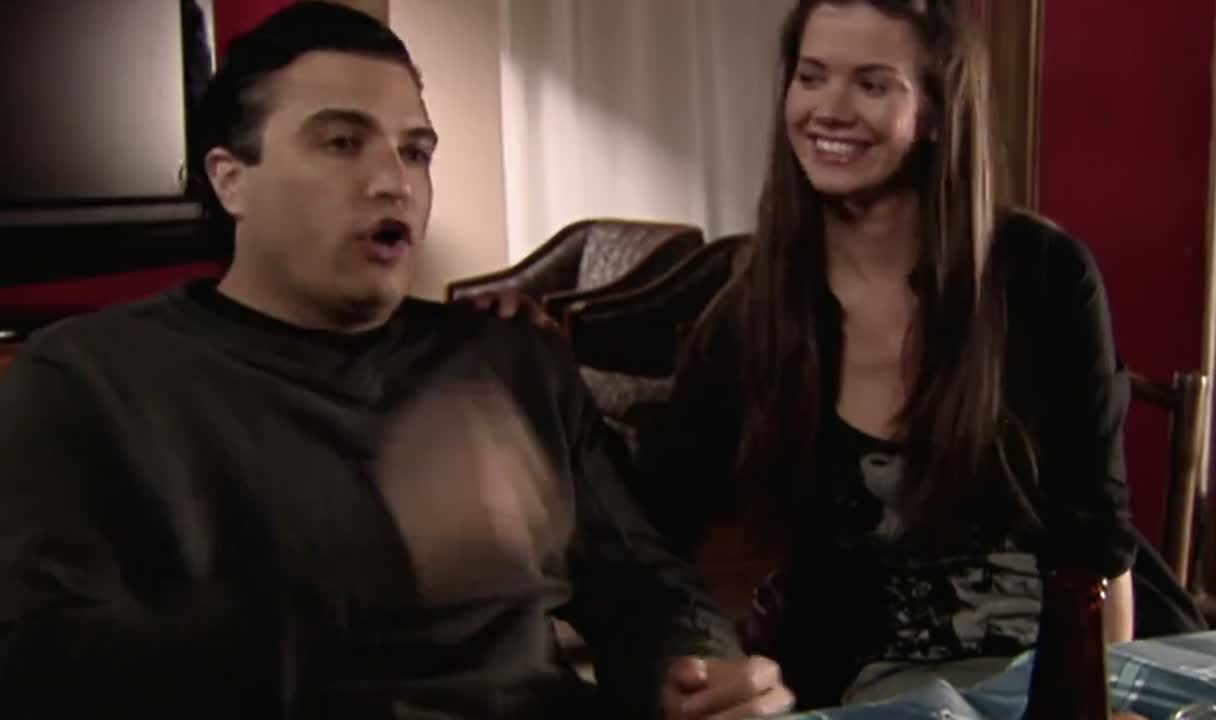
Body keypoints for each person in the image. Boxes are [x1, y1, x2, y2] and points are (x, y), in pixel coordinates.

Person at [0, 4, 792, 719]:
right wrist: (381, 566)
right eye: (342, 143)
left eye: (416, 152)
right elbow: (41, 666)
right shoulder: (84, 380)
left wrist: (689, 674)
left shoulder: (509, 362)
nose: (394, 182)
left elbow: (650, 588)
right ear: (230, 180)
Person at [634, 0, 1139, 709]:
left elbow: (1096, 545)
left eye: (872, 85)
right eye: (812, 77)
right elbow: (650, 532)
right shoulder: (752, 316)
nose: (829, 110)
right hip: (861, 690)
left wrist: (1091, 698)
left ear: (935, 114)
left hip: (1060, 674)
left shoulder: (1045, 275)